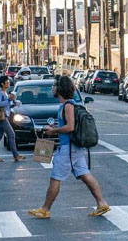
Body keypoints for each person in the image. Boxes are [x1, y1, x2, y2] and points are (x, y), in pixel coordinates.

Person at [27, 75, 109, 219]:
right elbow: (68, 125)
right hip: (73, 148)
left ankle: (45, 209)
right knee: (85, 175)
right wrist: (56, 127)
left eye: (54, 86)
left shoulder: (68, 106)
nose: (52, 89)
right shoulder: (66, 105)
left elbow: (70, 127)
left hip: (68, 149)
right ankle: (102, 203)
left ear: (60, 89)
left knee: (55, 178)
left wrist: (54, 130)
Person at [0, 75, 24, 163]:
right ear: (2, 84)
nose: (9, 83)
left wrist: (13, 104)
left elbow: (6, 106)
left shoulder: (5, 93)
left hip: (5, 116)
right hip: (2, 118)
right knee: (11, 134)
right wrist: (9, 100)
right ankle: (16, 155)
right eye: (7, 82)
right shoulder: (0, 93)